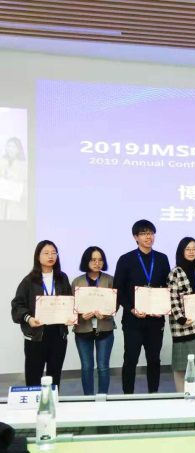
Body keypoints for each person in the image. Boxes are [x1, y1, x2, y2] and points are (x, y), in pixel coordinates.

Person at [114, 220, 171, 394]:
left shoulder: (162, 259)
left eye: (151, 233)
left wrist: (162, 308)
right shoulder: (126, 259)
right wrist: (131, 309)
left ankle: (153, 394)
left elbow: (167, 288)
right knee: (130, 359)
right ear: (135, 237)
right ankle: (127, 396)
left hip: (155, 320)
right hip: (133, 320)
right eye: (144, 233)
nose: (149, 237)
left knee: (154, 360)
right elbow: (118, 290)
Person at [11, 240, 73, 387]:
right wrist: (29, 318)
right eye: (46, 253)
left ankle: (53, 401)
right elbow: (17, 305)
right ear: (38, 256)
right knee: (33, 377)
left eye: (54, 253)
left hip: (58, 334)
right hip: (36, 335)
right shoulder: (29, 280)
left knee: (54, 377)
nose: (51, 256)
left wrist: (70, 316)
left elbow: (70, 300)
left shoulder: (62, 278)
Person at [71, 246, 115, 395]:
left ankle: (103, 397)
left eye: (100, 260)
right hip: (83, 330)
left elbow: (115, 304)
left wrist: (106, 314)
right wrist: (80, 316)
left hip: (105, 328)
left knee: (103, 367)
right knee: (86, 367)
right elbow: (71, 306)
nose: (97, 263)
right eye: (93, 260)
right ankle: (88, 399)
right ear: (86, 261)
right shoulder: (77, 282)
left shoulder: (109, 280)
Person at [167, 237, 195, 393]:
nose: (191, 252)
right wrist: (181, 319)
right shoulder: (175, 273)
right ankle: (180, 395)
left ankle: (191, 394)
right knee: (180, 364)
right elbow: (172, 298)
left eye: (194, 249)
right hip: (182, 326)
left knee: (193, 363)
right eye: (188, 249)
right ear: (181, 251)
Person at [0, 137, 27, 221]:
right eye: (9, 146)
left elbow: (27, 184)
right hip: (2, 201)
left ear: (18, 150)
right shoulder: (2, 162)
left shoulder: (24, 165)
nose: (10, 149)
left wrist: (15, 177)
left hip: (16, 203)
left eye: (13, 147)